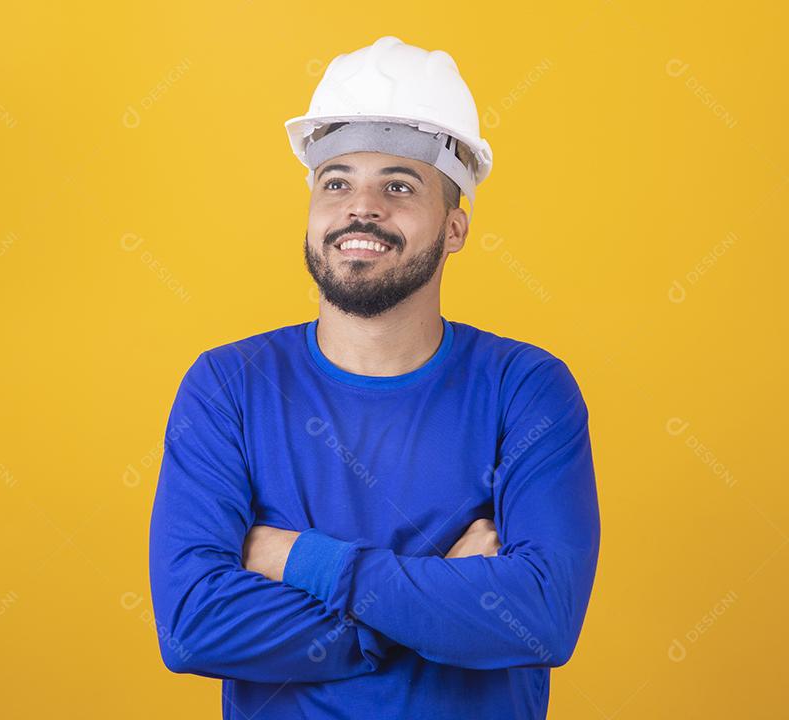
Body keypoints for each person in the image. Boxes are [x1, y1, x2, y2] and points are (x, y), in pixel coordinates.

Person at [148, 35, 600, 720]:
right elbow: (192, 625)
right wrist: (435, 598)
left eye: (398, 185)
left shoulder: (526, 389)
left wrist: (301, 560)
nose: (362, 208)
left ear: (455, 228)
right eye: (336, 183)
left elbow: (540, 617)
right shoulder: (230, 386)